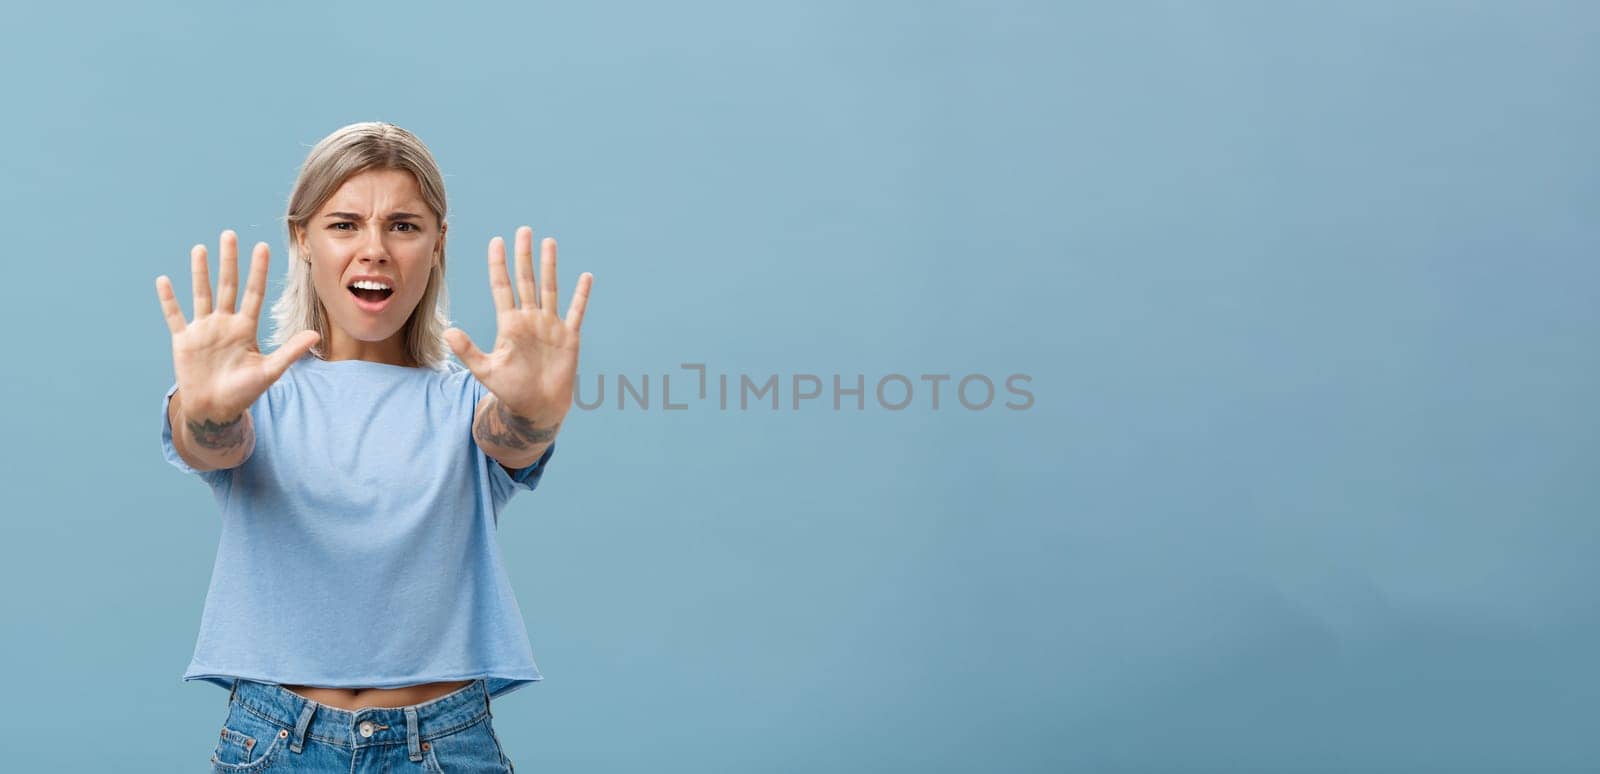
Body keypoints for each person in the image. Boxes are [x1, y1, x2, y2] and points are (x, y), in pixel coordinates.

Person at [154, 121, 592, 772]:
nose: (375, 250)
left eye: (404, 226)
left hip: (441, 747)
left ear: (438, 244)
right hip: (274, 745)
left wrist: (535, 411)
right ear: (303, 238)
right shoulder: (253, 391)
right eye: (344, 224)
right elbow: (209, 442)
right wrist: (207, 412)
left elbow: (513, 439)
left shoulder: (467, 402)